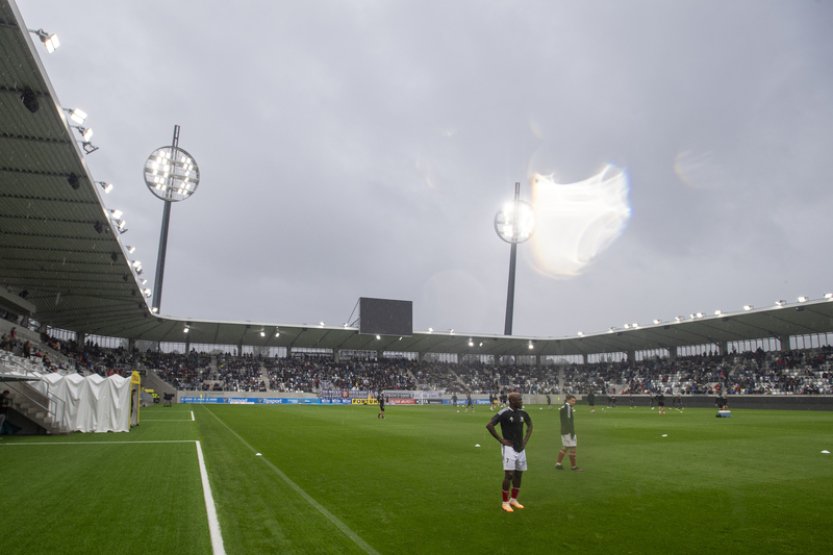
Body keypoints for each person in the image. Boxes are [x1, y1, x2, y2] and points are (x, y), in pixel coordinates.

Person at [486, 392, 532, 513]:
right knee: (509, 475)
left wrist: (525, 441)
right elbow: (489, 425)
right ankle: (505, 502)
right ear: (512, 401)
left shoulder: (523, 413)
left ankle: (514, 499)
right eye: (519, 400)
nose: (521, 401)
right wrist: (501, 440)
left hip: (520, 448)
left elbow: (530, 425)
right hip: (509, 448)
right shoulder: (503, 413)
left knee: (519, 474)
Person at [555, 394, 582, 471]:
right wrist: (571, 432)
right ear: (568, 400)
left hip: (564, 431)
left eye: (575, 401)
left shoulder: (564, 407)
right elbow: (567, 420)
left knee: (565, 447)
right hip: (568, 431)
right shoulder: (568, 408)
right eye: (572, 401)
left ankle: (558, 464)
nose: (574, 402)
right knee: (573, 448)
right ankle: (574, 467)